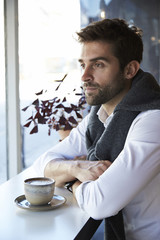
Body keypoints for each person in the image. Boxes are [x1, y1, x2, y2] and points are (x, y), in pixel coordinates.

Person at [33, 19, 160, 240]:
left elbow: (100, 204)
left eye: (98, 64)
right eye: (83, 64)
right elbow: (41, 166)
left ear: (130, 69)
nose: (84, 76)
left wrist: (74, 182)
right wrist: (79, 167)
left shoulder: (153, 120)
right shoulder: (98, 116)